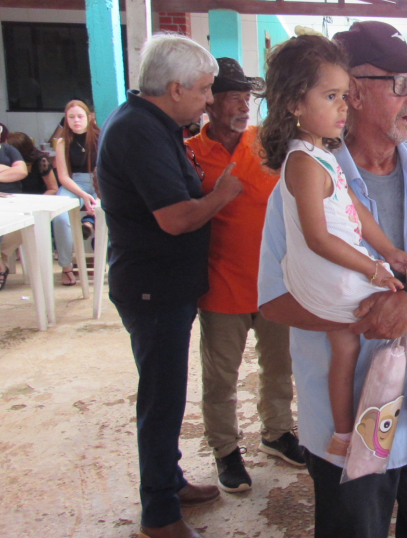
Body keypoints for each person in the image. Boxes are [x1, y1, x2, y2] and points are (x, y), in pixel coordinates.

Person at [257, 20, 407, 538]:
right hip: (346, 416)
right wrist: (361, 315)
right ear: (352, 89)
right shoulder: (302, 182)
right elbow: (272, 302)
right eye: (402, 84)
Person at [97, 33, 243, 538]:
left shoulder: (152, 124)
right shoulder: (138, 131)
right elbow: (177, 218)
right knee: (160, 400)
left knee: (168, 395)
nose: (210, 100)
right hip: (152, 289)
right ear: (175, 88)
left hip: (166, 286)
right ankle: (159, 515)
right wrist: (223, 194)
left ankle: (169, 479)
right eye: (205, 89)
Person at [260, 34, 407, 467]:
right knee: (402, 311)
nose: (343, 106)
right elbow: (318, 238)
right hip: (324, 281)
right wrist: (375, 269)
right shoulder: (302, 163)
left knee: (347, 347)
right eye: (331, 96)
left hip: (334, 275)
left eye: (344, 96)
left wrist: (391, 249)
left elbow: (355, 210)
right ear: (294, 104)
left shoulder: (322, 153)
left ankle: (344, 434)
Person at [184, 57, 304, 494]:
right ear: (209, 103)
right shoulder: (192, 152)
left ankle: (277, 432)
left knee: (279, 366)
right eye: (230, 96)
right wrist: (220, 195)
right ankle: (225, 450)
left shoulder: (264, 142)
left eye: (245, 96)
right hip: (221, 285)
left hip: (273, 281)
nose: (241, 104)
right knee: (221, 377)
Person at [51, 100, 99, 286]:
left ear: (88, 118)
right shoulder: (62, 142)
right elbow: (63, 176)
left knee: (104, 210)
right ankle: (66, 267)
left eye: (80, 116)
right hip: (73, 184)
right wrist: (83, 195)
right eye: (71, 117)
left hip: (97, 183)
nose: (76, 121)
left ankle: (90, 225)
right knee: (60, 218)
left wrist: (94, 195)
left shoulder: (99, 137)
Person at [0, 136, 28, 291]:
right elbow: (14, 169)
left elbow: (21, 171)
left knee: (25, 225)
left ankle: (0, 258)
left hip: (13, 199)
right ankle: (0, 266)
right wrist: (7, 169)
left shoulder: (9, 150)